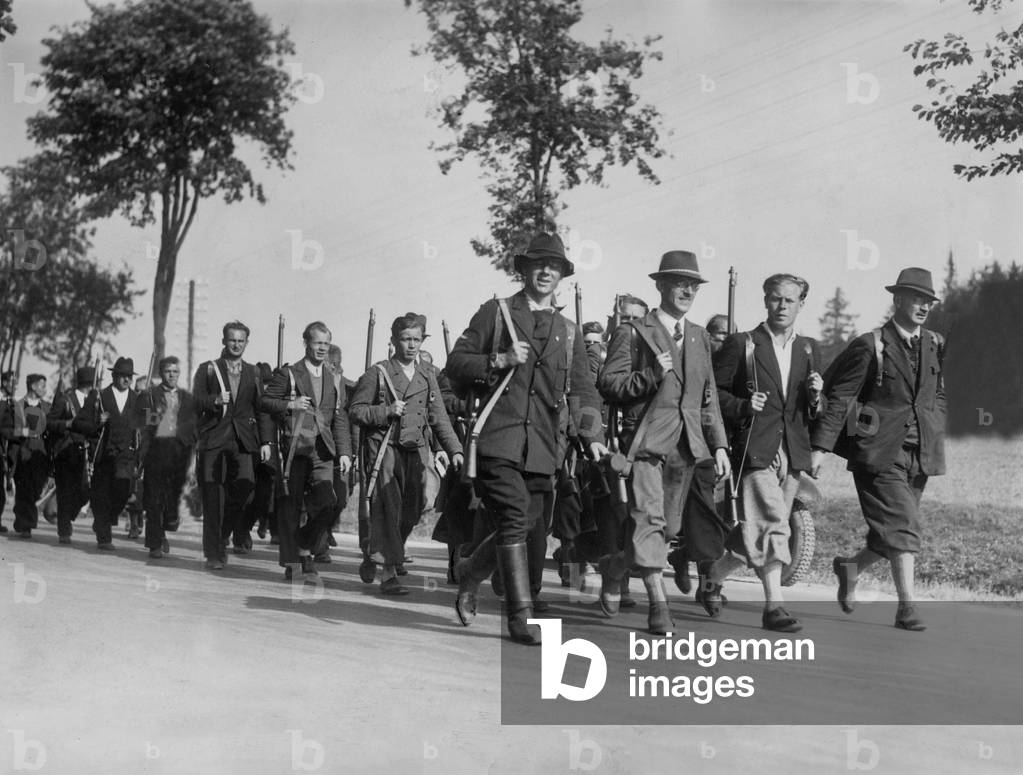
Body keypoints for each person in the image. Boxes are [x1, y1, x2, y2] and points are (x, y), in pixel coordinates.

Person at [447, 233, 606, 645]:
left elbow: (582, 390)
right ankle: (520, 615)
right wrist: (498, 359)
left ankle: (470, 572)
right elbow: (456, 364)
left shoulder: (568, 331)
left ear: (562, 275)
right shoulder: (496, 312)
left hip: (542, 446)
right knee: (515, 515)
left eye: (554, 266)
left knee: (526, 522)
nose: (546, 271)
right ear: (524, 270)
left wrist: (592, 434)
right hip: (497, 438)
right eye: (539, 264)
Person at [597, 250, 730, 635]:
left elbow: (708, 398)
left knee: (668, 530)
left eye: (693, 286)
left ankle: (615, 567)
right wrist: (650, 376)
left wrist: (719, 445)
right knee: (649, 522)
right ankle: (658, 606)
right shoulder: (633, 332)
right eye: (679, 283)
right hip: (644, 444)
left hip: (686, 447)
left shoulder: (700, 337)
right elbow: (609, 384)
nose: (687, 291)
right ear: (660, 286)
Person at [811, 268, 946, 631]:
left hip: (920, 453)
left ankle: (850, 567)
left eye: (928, 301)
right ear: (897, 299)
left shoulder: (934, 343)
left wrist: (936, 423)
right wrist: (820, 448)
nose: (924, 306)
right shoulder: (871, 344)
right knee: (904, 525)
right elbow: (841, 397)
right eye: (916, 298)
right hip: (878, 453)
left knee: (890, 533)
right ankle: (907, 608)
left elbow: (938, 392)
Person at [705, 274, 823, 632]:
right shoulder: (743, 344)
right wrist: (743, 406)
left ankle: (713, 576)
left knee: (754, 532)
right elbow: (711, 395)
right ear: (765, 300)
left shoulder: (808, 349)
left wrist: (817, 396)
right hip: (755, 449)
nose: (782, 306)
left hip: (793, 452)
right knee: (773, 523)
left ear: (801, 304)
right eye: (775, 298)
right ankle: (774, 606)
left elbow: (815, 409)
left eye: (790, 300)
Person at [349, 314, 462, 594]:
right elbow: (355, 411)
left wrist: (454, 449)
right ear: (394, 340)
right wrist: (385, 411)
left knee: (414, 508)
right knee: (389, 507)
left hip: (417, 450)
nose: (411, 345)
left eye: (416, 339)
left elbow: (439, 416)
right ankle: (389, 573)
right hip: (385, 449)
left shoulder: (428, 374)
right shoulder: (378, 373)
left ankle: (376, 552)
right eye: (405, 339)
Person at [261, 322, 353, 580]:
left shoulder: (334, 378)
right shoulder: (289, 373)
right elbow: (265, 402)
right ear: (306, 343)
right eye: (317, 343)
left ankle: (303, 545)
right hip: (295, 448)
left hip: (323, 450)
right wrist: (290, 404)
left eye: (326, 343)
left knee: (329, 503)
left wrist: (345, 452)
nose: (322, 348)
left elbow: (339, 418)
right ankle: (293, 562)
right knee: (290, 506)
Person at [193, 322, 274, 570]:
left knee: (246, 486)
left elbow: (261, 409)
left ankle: (223, 533)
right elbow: (194, 401)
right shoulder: (208, 369)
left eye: (240, 340)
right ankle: (214, 553)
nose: (236, 345)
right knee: (213, 497)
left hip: (242, 440)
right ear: (223, 341)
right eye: (232, 340)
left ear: (246, 343)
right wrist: (214, 400)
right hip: (214, 439)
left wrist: (266, 441)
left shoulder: (253, 372)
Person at [72, 358, 144, 550]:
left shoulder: (137, 400)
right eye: (122, 376)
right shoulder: (99, 396)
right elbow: (78, 423)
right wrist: (97, 422)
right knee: (101, 495)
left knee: (123, 493)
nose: (127, 380)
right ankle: (104, 537)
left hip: (126, 458)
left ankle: (103, 520)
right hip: (103, 455)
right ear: (114, 376)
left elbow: (146, 426)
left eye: (129, 376)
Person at [140, 357, 197, 559]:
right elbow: (145, 423)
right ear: (161, 373)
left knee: (171, 501)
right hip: (156, 453)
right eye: (167, 371)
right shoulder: (150, 395)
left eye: (175, 371)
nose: (171, 375)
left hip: (179, 456)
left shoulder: (187, 398)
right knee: (154, 500)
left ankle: (165, 528)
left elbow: (193, 427)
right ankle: (155, 543)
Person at [46, 366, 96, 544]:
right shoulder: (64, 400)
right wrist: (66, 424)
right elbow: (49, 422)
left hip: (85, 452)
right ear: (90, 384)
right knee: (65, 492)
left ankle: (66, 514)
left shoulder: (94, 402)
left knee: (85, 492)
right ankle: (64, 530)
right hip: (65, 452)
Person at [1, 374, 51, 538]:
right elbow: (4, 430)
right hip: (22, 453)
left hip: (41, 454)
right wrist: (19, 432)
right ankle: (25, 525)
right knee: (24, 489)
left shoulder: (47, 407)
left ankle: (23, 520)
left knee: (36, 489)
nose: (45, 389)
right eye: (42, 386)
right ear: (33, 386)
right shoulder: (16, 406)